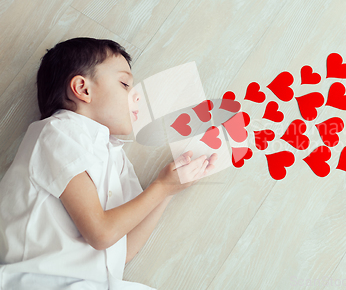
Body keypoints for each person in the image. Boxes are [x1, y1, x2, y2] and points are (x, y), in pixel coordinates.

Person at [0, 37, 218, 289]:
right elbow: (101, 234)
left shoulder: (115, 155)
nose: (136, 96)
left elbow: (121, 250)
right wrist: (160, 187)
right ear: (82, 88)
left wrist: (169, 189)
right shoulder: (56, 132)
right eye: (125, 83)